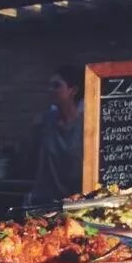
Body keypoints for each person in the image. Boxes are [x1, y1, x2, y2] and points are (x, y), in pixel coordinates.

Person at [29, 64, 85, 203]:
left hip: (75, 202)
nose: (51, 90)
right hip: (44, 201)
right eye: (50, 86)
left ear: (73, 90)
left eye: (56, 86)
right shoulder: (44, 122)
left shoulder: (86, 127)